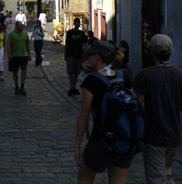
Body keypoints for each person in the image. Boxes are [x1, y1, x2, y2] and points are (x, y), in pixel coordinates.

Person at [75, 40, 135, 183]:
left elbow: (84, 116)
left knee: (84, 179)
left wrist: (77, 145)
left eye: (89, 55)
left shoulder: (91, 81)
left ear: (97, 57)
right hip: (124, 139)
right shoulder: (123, 78)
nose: (87, 58)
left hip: (100, 140)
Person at [134, 34, 182, 184]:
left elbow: (137, 104)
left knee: (157, 178)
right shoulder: (179, 74)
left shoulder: (145, 75)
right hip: (174, 134)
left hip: (154, 134)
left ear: (151, 51)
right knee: (167, 175)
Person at [7, 20, 31, 95]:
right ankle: (16, 86)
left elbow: (27, 44)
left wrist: (29, 54)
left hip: (23, 55)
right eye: (20, 25)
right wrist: (9, 54)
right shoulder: (11, 34)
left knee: (24, 70)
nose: (22, 26)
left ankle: (22, 86)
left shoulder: (25, 34)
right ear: (16, 26)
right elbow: (8, 45)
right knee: (15, 71)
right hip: (15, 55)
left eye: (22, 25)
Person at [64, 17, 88, 95]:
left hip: (78, 55)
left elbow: (85, 44)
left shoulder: (81, 33)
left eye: (78, 23)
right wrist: (65, 54)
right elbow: (66, 44)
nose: (77, 25)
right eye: (77, 23)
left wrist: (86, 53)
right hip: (71, 55)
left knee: (76, 72)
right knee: (71, 72)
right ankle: (72, 87)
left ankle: (73, 87)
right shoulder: (70, 33)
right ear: (74, 24)